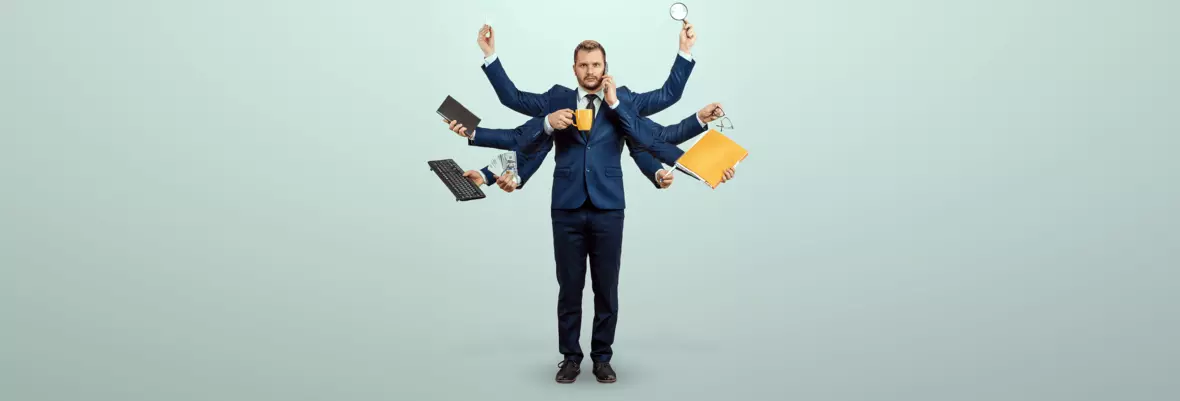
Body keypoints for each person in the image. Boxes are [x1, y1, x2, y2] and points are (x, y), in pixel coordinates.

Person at [469, 23, 712, 383]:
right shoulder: (555, 99)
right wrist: (490, 55)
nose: (590, 71)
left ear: (605, 67)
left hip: (609, 208)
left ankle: (602, 357)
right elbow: (514, 100)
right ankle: (570, 357)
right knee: (569, 288)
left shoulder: (623, 99)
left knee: (606, 288)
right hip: (566, 207)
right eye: (584, 65)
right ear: (574, 69)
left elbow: (665, 100)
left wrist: (684, 50)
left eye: (596, 65)